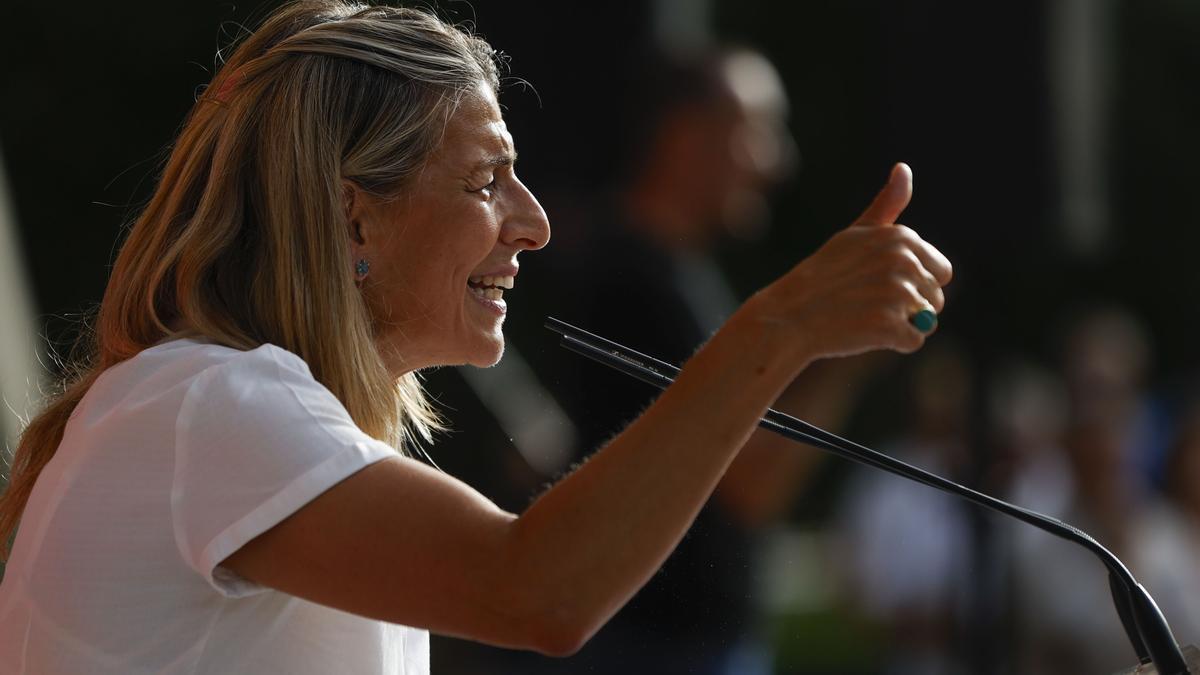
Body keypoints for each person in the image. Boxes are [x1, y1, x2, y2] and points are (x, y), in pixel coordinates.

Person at [0, 2, 952, 674]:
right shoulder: (209, 400)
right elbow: (537, 591)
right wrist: (777, 328)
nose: (532, 222)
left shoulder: (212, 408)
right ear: (353, 218)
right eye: (486, 180)